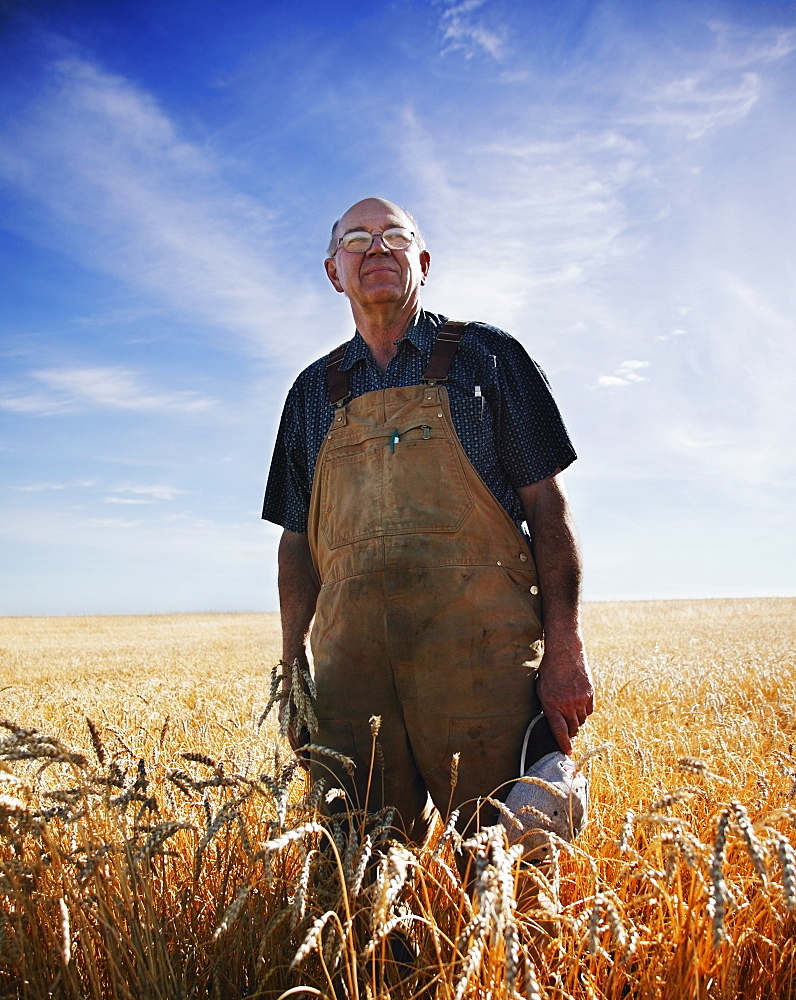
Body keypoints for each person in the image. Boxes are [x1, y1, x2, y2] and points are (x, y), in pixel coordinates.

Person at [263, 197, 594, 844]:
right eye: (357, 240)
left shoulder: (490, 359)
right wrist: (293, 669)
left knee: (511, 870)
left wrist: (566, 646)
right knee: (358, 873)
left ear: (424, 260)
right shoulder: (309, 394)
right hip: (351, 680)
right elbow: (296, 543)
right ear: (334, 271)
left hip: (483, 667)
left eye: (394, 235)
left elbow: (548, 509)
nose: (377, 249)